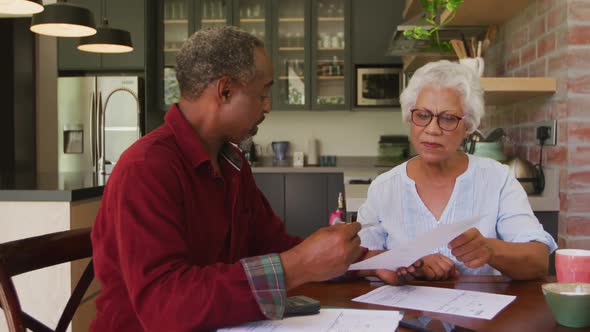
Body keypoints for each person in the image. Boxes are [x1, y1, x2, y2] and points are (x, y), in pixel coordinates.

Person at [90, 26, 364, 332]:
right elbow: (164, 305)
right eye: (262, 93)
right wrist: (297, 265)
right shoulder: (145, 169)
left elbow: (274, 245)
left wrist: (367, 263)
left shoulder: (231, 163)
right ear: (225, 91)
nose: (267, 106)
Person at [356, 60, 557, 285]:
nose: (432, 130)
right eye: (422, 115)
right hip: (404, 315)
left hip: (481, 315)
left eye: (448, 118)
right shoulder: (384, 187)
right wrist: (399, 261)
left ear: (468, 126)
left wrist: (491, 249)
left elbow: (539, 261)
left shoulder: (497, 179)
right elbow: (358, 258)